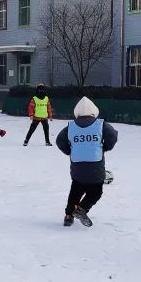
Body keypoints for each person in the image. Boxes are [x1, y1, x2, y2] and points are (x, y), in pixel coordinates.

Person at [56, 97, 118, 227]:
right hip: (95, 166)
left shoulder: (71, 126)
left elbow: (59, 140)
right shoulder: (100, 124)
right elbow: (112, 135)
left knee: (76, 190)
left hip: (77, 168)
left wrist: (69, 151)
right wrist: (105, 147)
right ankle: (82, 209)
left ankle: (68, 215)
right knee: (96, 191)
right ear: (94, 111)